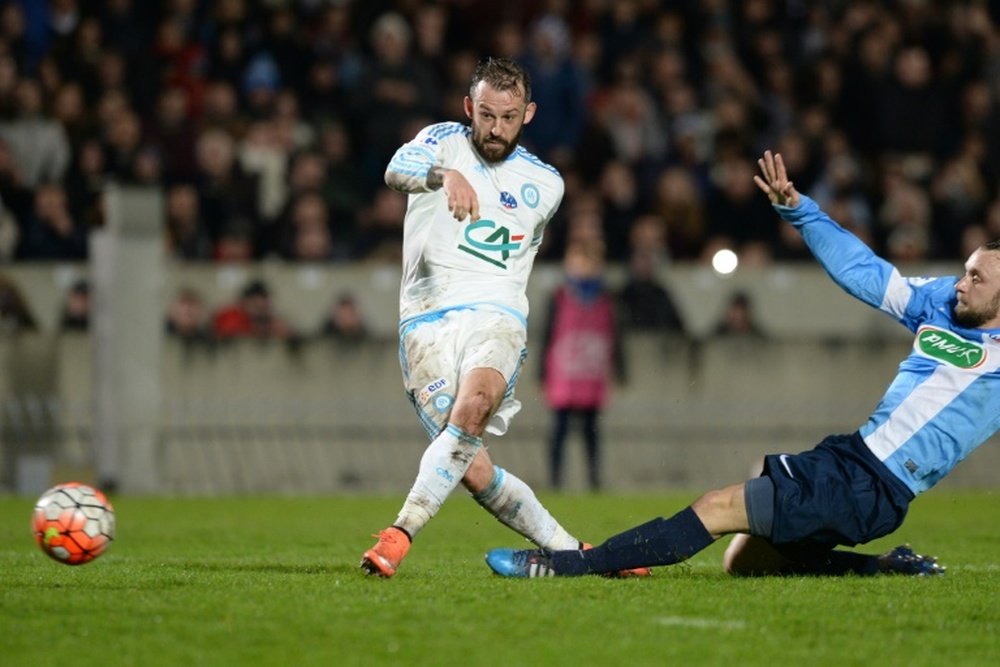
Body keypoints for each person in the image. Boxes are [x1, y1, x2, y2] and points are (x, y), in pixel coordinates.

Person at [483, 149, 998, 578]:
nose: (961, 283)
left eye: (978, 278)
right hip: (852, 459)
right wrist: (800, 211)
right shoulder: (941, 305)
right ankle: (882, 568)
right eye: (966, 270)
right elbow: (866, 273)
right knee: (744, 563)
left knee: (716, 507)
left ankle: (565, 565)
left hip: (875, 487)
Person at [360, 57, 649, 579]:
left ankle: (399, 533)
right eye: (487, 115)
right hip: (424, 322)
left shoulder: (547, 184)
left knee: (471, 411)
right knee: (470, 467)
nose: (496, 129)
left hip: (497, 316)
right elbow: (393, 171)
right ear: (470, 107)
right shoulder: (441, 142)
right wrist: (443, 175)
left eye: (509, 117)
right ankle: (575, 553)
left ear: (529, 114)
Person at [540, 240, 624, 491]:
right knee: (559, 430)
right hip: (563, 373)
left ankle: (594, 480)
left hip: (592, 372)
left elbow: (615, 336)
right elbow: (547, 336)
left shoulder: (607, 298)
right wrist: (542, 374)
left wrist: (619, 369)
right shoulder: (558, 297)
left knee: (591, 432)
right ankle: (555, 481)